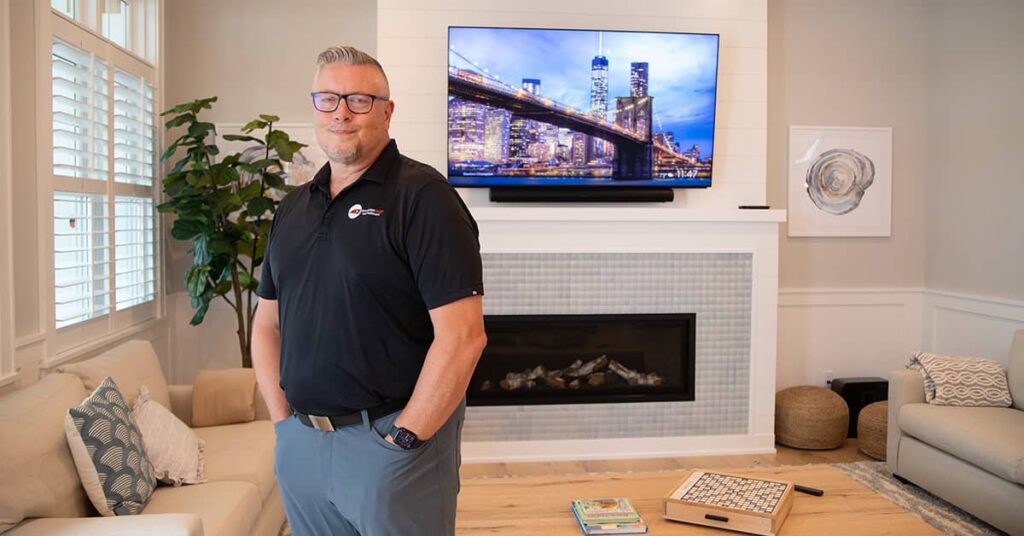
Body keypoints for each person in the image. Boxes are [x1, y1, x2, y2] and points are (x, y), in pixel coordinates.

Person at [251, 45, 487, 536]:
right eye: (329, 98)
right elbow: (267, 324)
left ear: (387, 111)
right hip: (302, 445)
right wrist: (283, 426)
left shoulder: (424, 198)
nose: (341, 112)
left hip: (391, 443)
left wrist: (404, 439)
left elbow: (463, 337)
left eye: (359, 99)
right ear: (313, 106)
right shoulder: (292, 209)